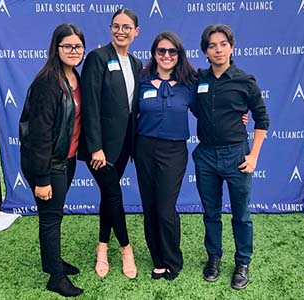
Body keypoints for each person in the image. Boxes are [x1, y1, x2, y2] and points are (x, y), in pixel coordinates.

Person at [193, 24, 269, 290]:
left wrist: (254, 156)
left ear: (231, 47)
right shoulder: (198, 80)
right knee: (211, 213)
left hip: (237, 155)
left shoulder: (245, 80)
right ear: (205, 51)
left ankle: (242, 262)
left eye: (223, 44)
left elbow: (262, 120)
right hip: (205, 156)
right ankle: (213, 258)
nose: (218, 49)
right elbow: (194, 108)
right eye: (212, 45)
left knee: (241, 214)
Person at [19, 24, 85, 297]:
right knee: (50, 218)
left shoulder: (74, 77)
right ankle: (55, 278)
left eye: (78, 46)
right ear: (56, 49)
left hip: (66, 161)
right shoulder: (48, 82)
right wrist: (42, 178)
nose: (73, 51)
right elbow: (40, 135)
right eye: (67, 46)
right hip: (48, 164)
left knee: (54, 217)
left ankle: (53, 262)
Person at [77, 8, 143, 279]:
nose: (121, 31)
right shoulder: (97, 58)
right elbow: (90, 104)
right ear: (110, 28)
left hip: (125, 144)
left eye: (127, 27)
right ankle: (126, 248)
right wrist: (95, 146)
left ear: (136, 32)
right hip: (100, 147)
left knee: (108, 196)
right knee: (114, 195)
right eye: (116, 26)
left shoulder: (137, 63)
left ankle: (102, 246)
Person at [134, 32, 197, 281]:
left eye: (173, 51)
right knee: (149, 207)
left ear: (179, 55)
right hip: (144, 149)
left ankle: (172, 259)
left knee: (165, 208)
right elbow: (122, 112)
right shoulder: (142, 80)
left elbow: (211, 109)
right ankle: (157, 259)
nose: (167, 56)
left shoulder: (189, 84)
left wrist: (239, 117)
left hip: (174, 151)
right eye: (162, 51)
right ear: (154, 54)